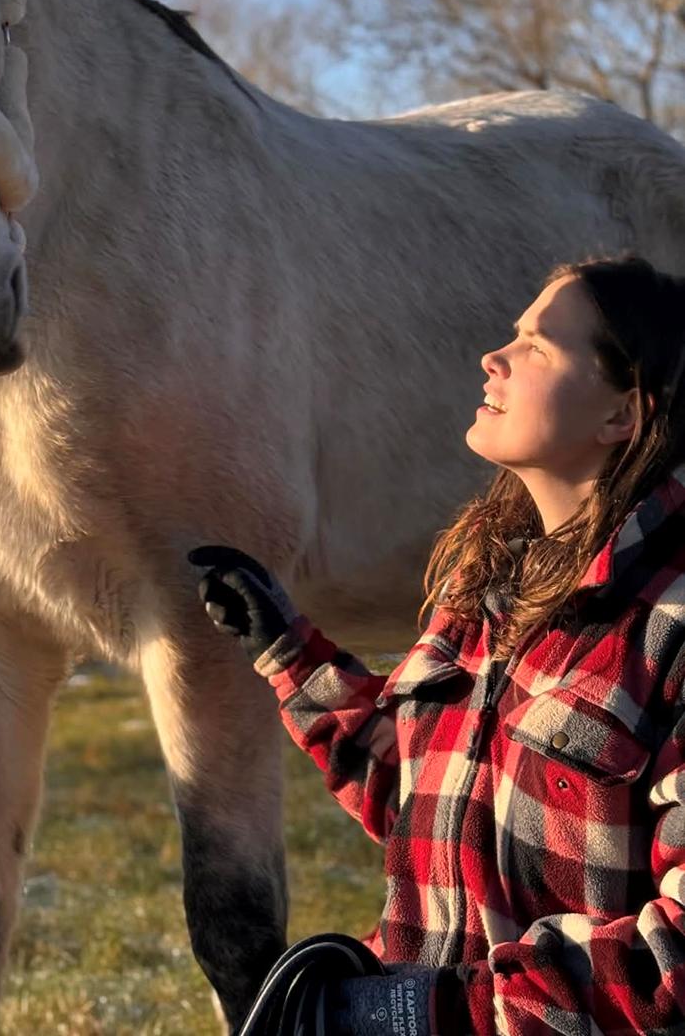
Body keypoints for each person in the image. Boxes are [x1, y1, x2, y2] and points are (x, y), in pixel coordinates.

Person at [190, 254, 685, 1035]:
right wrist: (289, 653)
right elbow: (425, 800)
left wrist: (426, 1013)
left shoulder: (670, 627)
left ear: (622, 415)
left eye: (537, 346)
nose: (494, 357)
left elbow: (674, 965)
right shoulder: (486, 583)